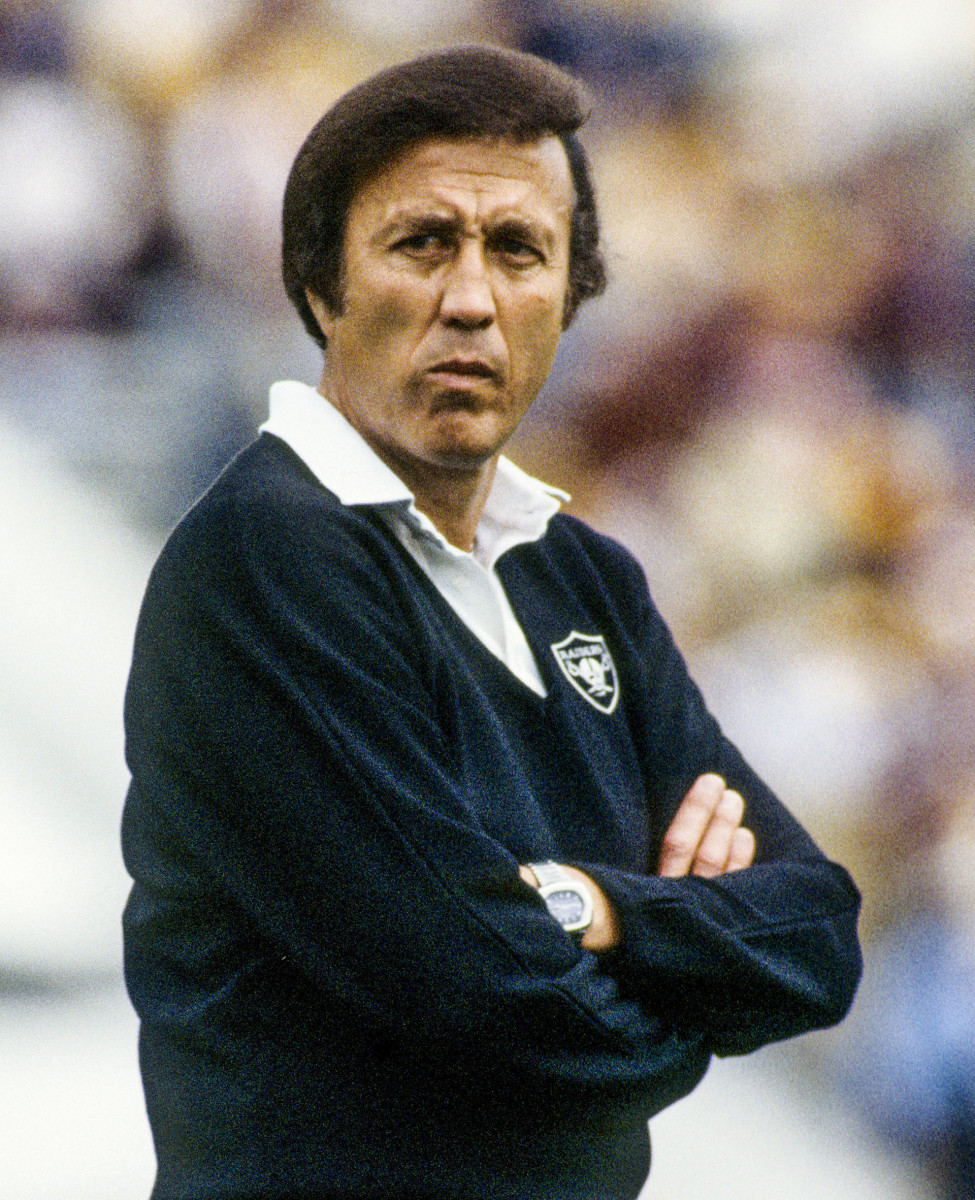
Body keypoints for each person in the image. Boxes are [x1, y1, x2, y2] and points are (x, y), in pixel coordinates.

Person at [121, 45, 862, 1200]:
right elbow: (478, 985)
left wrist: (584, 904)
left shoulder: (587, 579)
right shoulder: (269, 557)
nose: (471, 298)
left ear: (567, 300)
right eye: (423, 243)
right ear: (321, 286)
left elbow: (816, 936)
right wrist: (685, 985)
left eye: (518, 250)